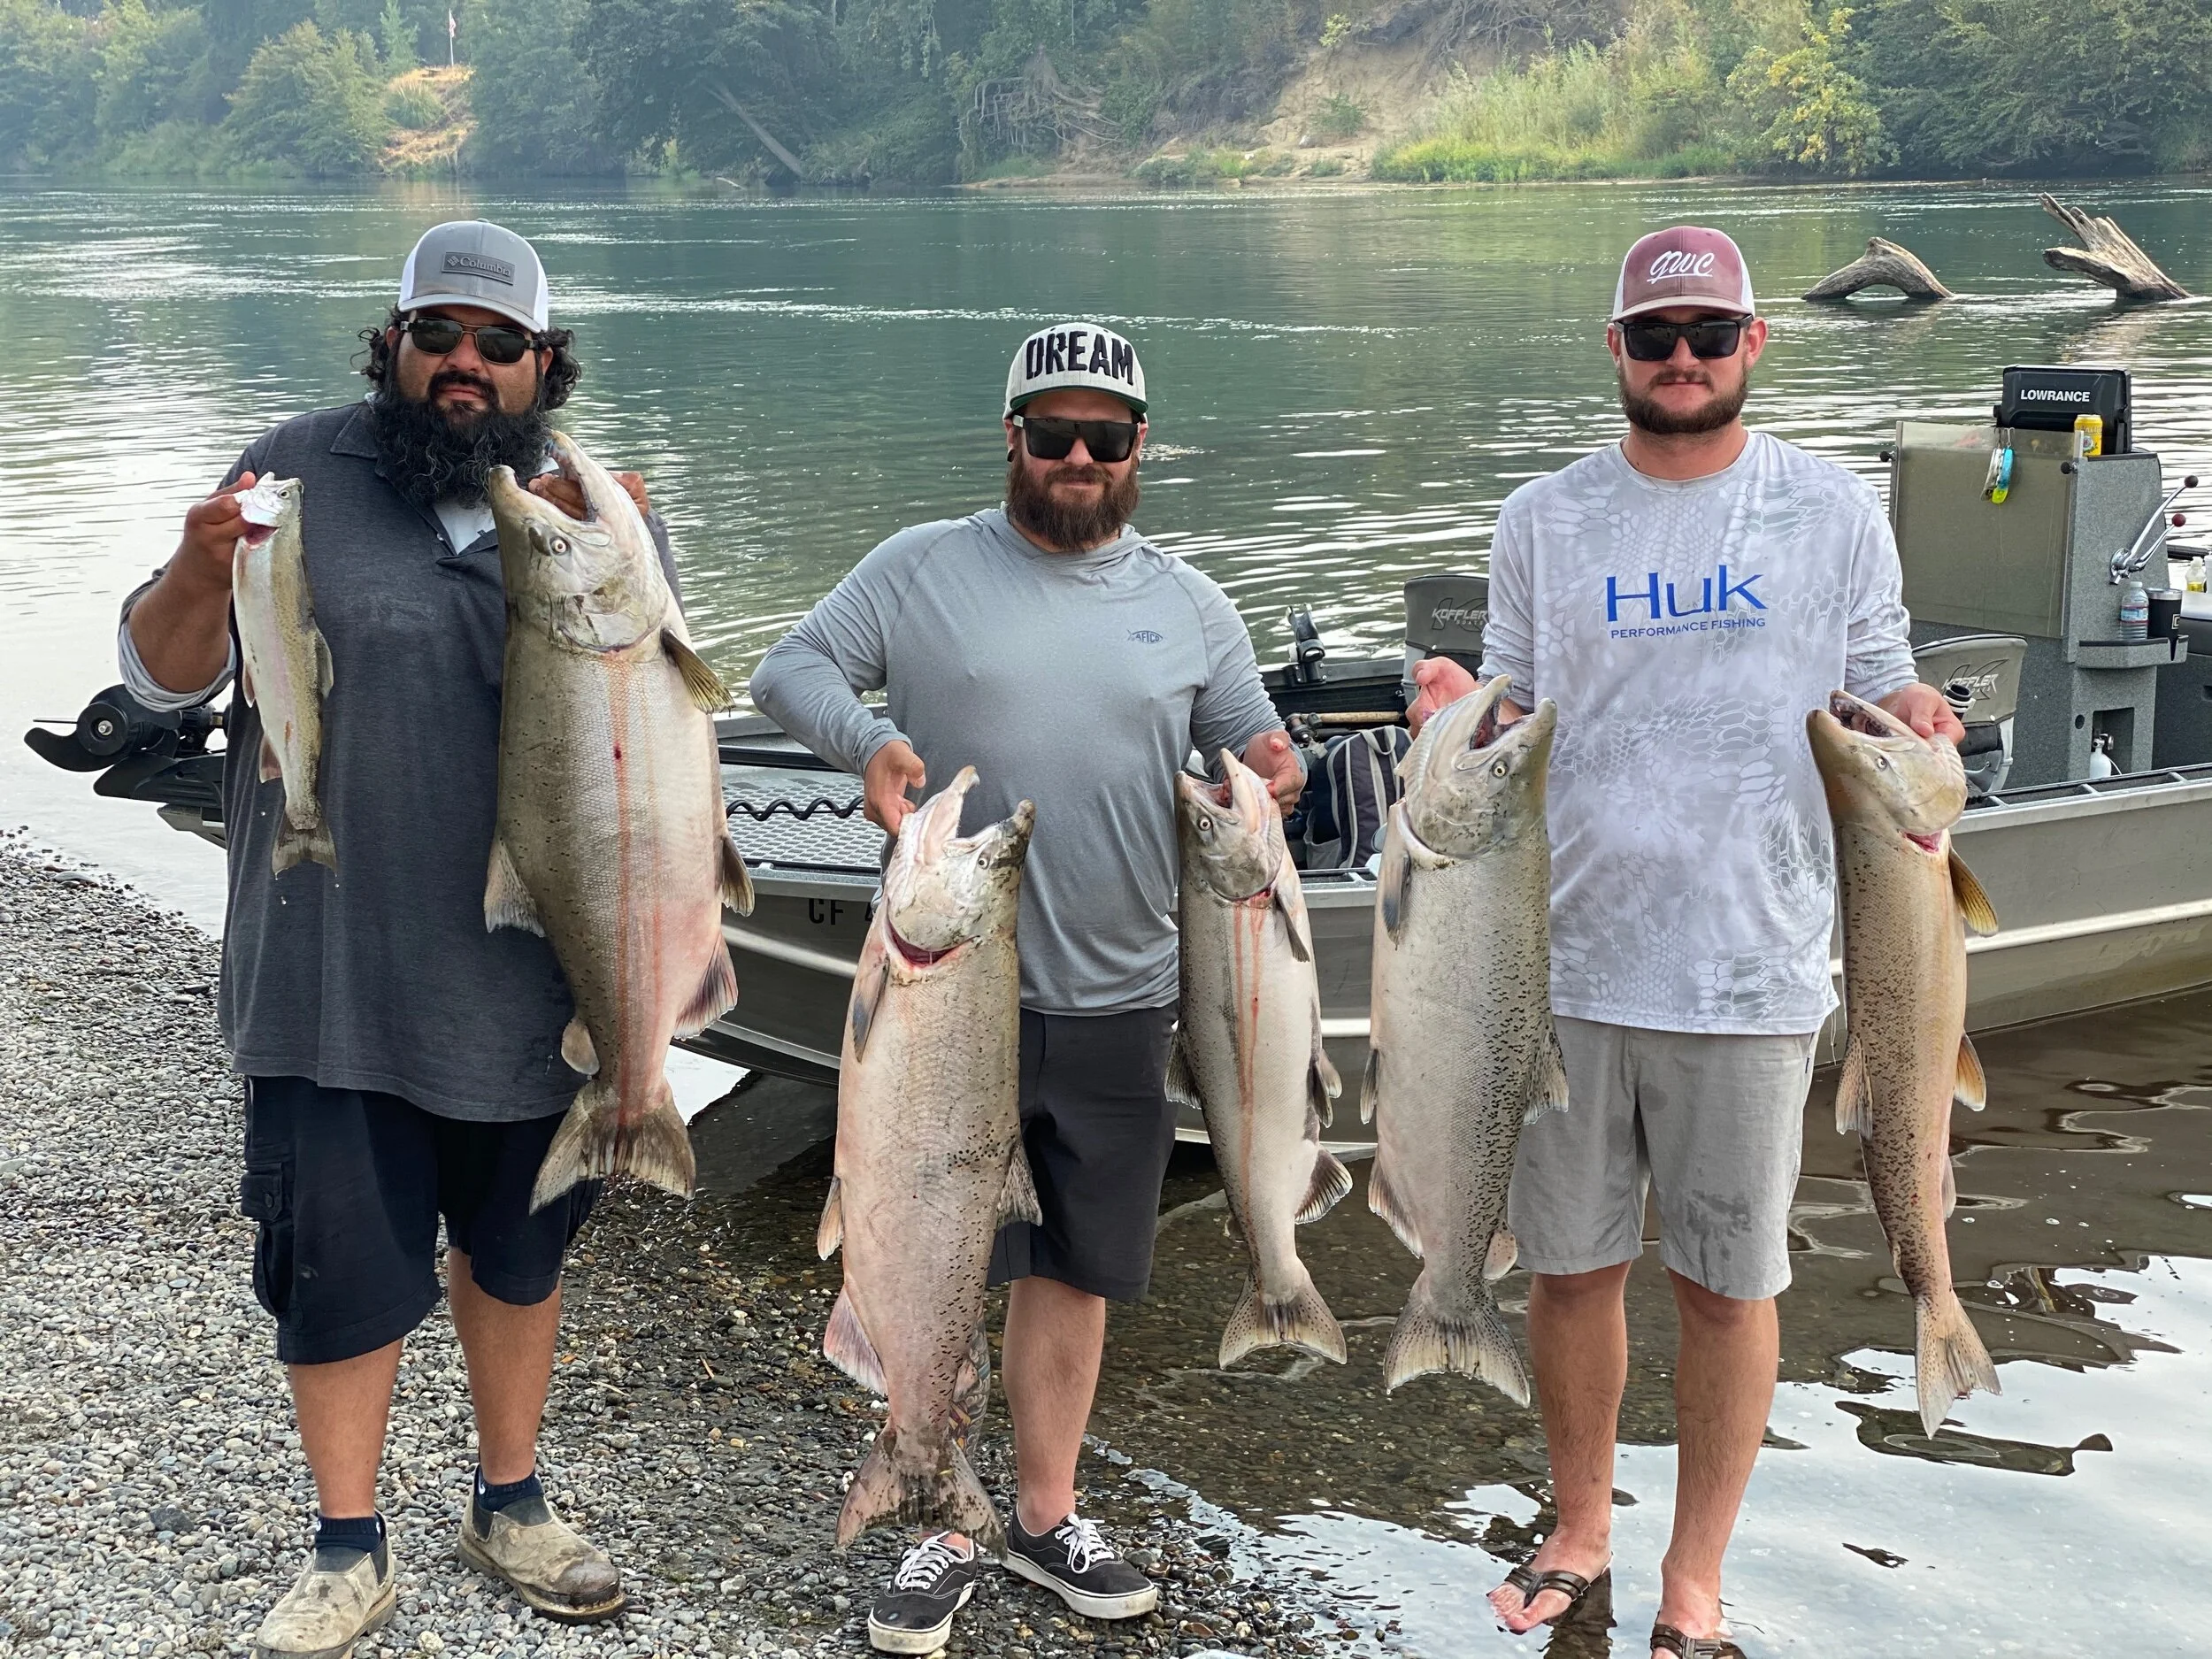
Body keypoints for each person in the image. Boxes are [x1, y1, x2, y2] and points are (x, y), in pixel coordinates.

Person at [1407, 227, 1964, 1659]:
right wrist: (1463, 707)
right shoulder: (1542, 519)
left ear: (1755, 345)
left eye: (1710, 334)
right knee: (1572, 1267)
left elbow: (1890, 678)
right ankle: (1581, 1524)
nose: (1682, 359)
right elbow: (1518, 705)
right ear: (1615, 350)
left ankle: (1695, 1580)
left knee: (1732, 1283)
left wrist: (1922, 717)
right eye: (1655, 335)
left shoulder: (1831, 509)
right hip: (1563, 963)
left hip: (1757, 965)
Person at [119, 220, 672, 1656]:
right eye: (439, 336)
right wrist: (194, 572)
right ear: (394, 343)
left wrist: (633, 547)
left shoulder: (591, 511)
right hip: (332, 971)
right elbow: (165, 678)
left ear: (546, 363)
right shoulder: (293, 469)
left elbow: (666, 729)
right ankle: (346, 1542)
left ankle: (510, 1497)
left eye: (499, 344)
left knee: (518, 1255)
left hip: (534, 975)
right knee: (343, 1267)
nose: (465, 365)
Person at [750, 321, 1302, 1655]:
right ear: (1010, 440)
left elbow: (1257, 743)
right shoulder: (921, 568)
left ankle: (1045, 1511)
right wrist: (872, 741)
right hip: (947, 1001)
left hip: (1121, 999)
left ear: (1137, 451)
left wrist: (1273, 770)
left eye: (1103, 438)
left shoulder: (1190, 602)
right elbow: (788, 671)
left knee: (1078, 1265)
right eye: (1049, 433)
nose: (1075, 457)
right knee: (951, 1250)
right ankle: (945, 1510)